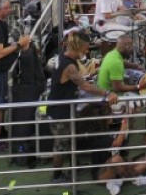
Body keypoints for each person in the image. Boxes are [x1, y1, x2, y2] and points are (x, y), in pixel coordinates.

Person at [49, 32, 119, 183]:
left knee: (70, 139)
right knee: (61, 145)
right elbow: (85, 86)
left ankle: (75, 166)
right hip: (60, 111)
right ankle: (57, 176)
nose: (87, 52)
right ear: (79, 47)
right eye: (86, 48)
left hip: (65, 107)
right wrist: (107, 93)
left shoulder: (63, 57)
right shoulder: (69, 66)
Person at [0, 0, 30, 151]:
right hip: (0, 71)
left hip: (2, 70)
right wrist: (18, 44)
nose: (9, 10)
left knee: (2, 103)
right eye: (6, 8)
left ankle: (0, 132)